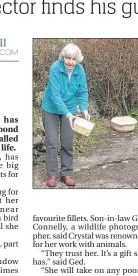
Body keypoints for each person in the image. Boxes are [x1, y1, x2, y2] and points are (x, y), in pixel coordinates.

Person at [41, 43, 90, 188]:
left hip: (69, 109)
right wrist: (68, 114)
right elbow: (55, 95)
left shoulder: (80, 70)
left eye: (73, 59)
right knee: (51, 141)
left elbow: (82, 92)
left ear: (77, 60)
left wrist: (84, 109)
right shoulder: (55, 68)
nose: (70, 62)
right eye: (68, 58)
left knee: (67, 142)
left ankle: (66, 173)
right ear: (63, 57)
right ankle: (51, 175)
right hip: (51, 108)